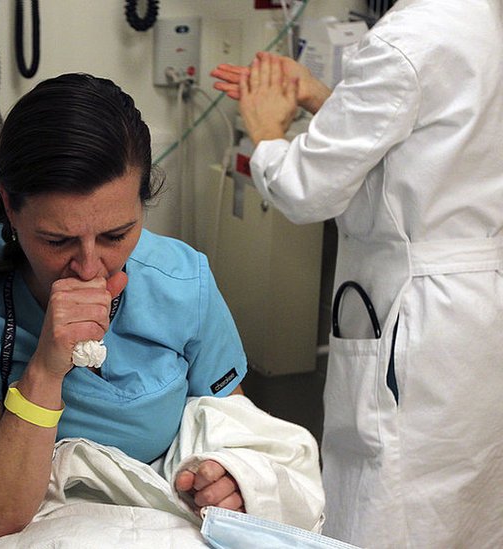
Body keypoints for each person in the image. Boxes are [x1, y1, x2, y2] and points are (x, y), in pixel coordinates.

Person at [0, 73, 253, 542]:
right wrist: (45, 369)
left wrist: (229, 479)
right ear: (10, 207)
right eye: (57, 240)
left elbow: (237, 429)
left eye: (116, 235)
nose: (88, 266)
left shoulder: (183, 282)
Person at [211, 1, 503, 547]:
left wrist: (266, 129)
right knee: (468, 499)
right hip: (477, 306)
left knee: (389, 496)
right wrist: (328, 100)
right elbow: (421, 143)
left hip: (417, 318)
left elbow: (305, 190)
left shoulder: (408, 36)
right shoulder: (482, 18)